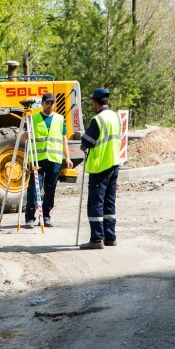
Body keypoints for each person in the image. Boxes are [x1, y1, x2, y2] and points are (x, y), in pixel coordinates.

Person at [23, 92, 74, 228]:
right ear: (42, 104)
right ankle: (30, 218)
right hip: (37, 160)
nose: (50, 105)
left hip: (54, 159)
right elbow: (22, 138)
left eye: (52, 103)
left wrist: (67, 157)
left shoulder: (59, 119)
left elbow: (64, 139)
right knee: (34, 190)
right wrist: (26, 135)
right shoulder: (33, 119)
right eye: (47, 103)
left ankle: (45, 216)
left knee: (50, 190)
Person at [79, 87, 122, 250]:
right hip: (114, 163)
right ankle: (110, 237)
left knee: (96, 203)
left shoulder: (98, 119)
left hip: (100, 165)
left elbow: (87, 140)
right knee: (109, 203)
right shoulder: (115, 117)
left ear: (95, 102)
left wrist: (84, 144)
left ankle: (97, 239)